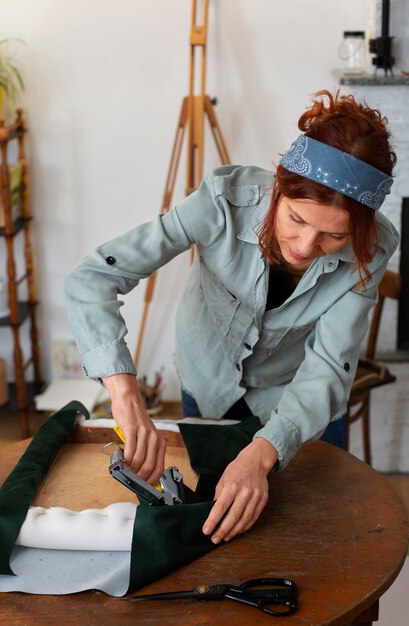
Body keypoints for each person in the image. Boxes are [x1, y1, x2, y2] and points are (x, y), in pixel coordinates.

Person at [65, 90, 398, 546]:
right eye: (296, 218)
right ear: (278, 188)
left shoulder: (372, 250)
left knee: (319, 537)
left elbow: (328, 366)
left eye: (333, 235)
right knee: (205, 522)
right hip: (208, 380)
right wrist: (123, 393)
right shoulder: (222, 202)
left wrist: (263, 453)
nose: (303, 246)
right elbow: (92, 279)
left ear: (359, 230)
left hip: (298, 398)